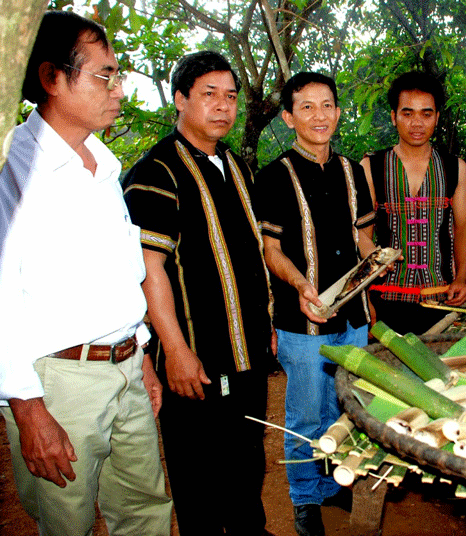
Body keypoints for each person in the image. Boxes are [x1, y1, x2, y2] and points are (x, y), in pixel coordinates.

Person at [0, 11, 172, 536]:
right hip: (59, 382)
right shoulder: (15, 167)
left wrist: (138, 349)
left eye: (117, 76)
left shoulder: (102, 162)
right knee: (66, 521)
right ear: (53, 78)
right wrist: (27, 407)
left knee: (146, 511)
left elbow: (121, 269)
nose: (118, 90)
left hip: (125, 367)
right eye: (104, 75)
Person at [123, 51, 273, 536]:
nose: (223, 107)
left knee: (248, 456)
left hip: (246, 348)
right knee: (199, 470)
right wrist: (176, 350)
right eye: (209, 95)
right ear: (181, 99)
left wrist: (265, 323)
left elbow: (249, 254)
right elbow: (149, 268)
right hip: (197, 357)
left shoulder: (236, 166)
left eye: (230, 97)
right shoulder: (156, 172)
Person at [254, 72, 377, 536]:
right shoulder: (273, 176)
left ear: (339, 112)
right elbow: (272, 250)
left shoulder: (352, 171)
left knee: (344, 408)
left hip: (354, 315)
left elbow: (363, 237)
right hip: (300, 318)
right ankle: (304, 498)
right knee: (306, 412)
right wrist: (302, 285)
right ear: (288, 117)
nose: (319, 115)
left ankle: (331, 484)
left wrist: (378, 262)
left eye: (326, 105)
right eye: (306, 107)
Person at [362, 71, 466, 334]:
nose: (417, 123)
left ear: (436, 117)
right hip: (384, 298)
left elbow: (465, 226)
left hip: (439, 297)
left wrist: (461, 277)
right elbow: (362, 235)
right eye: (407, 113)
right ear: (393, 117)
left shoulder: (454, 167)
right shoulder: (372, 167)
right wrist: (365, 296)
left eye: (426, 114)